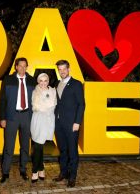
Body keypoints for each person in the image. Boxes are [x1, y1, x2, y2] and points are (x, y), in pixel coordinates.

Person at [0, 57, 36, 183]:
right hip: (11, 117)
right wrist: (2, 118)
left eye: (25, 66)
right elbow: (2, 100)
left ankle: (23, 170)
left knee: (25, 146)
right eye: (20, 66)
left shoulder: (31, 80)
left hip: (27, 116)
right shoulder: (8, 80)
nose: (22, 68)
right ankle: (5, 172)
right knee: (9, 146)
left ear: (27, 67)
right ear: (16, 67)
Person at [52, 60, 85, 188]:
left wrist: (77, 122)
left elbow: (81, 104)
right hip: (58, 124)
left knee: (72, 151)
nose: (62, 71)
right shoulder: (57, 84)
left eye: (64, 69)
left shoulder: (76, 84)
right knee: (63, 150)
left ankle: (72, 177)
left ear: (69, 69)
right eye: (60, 69)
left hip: (72, 124)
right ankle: (63, 173)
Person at [30, 73, 57, 183]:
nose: (43, 83)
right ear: (38, 81)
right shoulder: (34, 92)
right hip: (37, 121)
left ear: (48, 81)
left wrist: (43, 106)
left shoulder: (53, 91)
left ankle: (38, 169)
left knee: (40, 146)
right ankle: (38, 169)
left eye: (45, 80)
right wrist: (44, 106)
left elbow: (52, 106)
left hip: (47, 121)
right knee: (37, 146)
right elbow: (35, 106)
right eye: (41, 80)